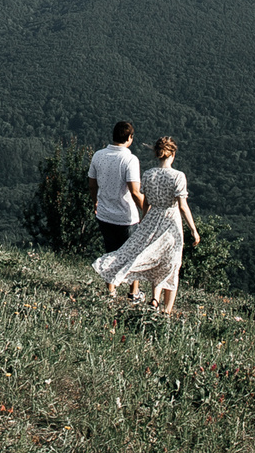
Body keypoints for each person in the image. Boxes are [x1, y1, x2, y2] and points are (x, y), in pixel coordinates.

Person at [91, 136, 198, 314]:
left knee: (154, 261)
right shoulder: (178, 176)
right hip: (171, 223)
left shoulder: (148, 174)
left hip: (151, 219)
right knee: (171, 264)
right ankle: (166, 311)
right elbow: (183, 206)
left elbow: (146, 202)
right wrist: (193, 230)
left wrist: (145, 219)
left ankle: (154, 300)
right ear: (172, 154)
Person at [84, 121, 144, 253]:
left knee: (111, 255)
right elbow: (135, 192)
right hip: (125, 219)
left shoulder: (98, 155)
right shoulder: (130, 160)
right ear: (129, 137)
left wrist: (95, 203)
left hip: (104, 215)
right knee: (129, 258)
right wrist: (147, 210)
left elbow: (92, 186)